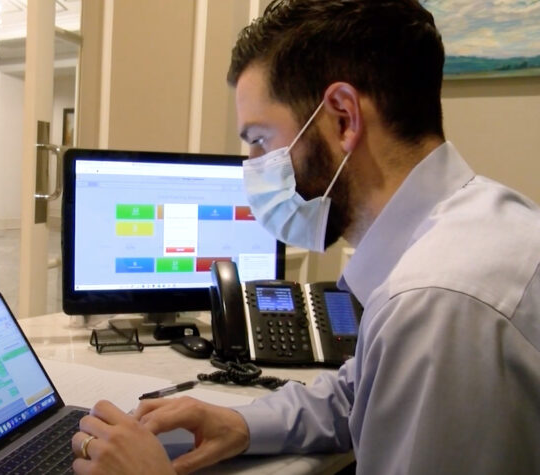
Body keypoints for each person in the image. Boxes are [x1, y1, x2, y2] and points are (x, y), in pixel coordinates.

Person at [71, 0, 540, 473]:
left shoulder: (436, 303)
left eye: (260, 140)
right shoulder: (479, 222)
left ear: (342, 118)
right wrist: (241, 422)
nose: (253, 165)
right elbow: (360, 395)